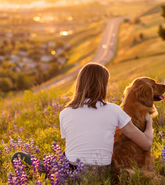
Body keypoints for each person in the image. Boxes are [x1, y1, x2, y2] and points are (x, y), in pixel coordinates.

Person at [12, 62, 153, 176]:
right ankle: (53, 170)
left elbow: (75, 147)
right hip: (102, 173)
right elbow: (146, 144)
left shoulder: (65, 112)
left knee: (22, 156)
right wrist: (149, 123)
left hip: (72, 170)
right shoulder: (114, 110)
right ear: (103, 85)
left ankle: (50, 171)